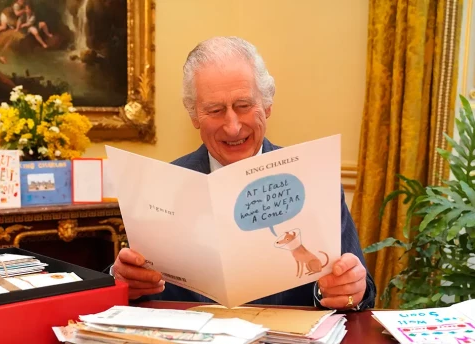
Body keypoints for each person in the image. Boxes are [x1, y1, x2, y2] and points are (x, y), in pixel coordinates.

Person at [110, 36, 377, 311]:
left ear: (268, 104)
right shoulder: (163, 184)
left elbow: (361, 292)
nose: (233, 127)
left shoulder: (313, 178)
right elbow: (134, 287)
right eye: (215, 110)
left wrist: (349, 291)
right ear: (193, 115)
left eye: (244, 106)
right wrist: (123, 282)